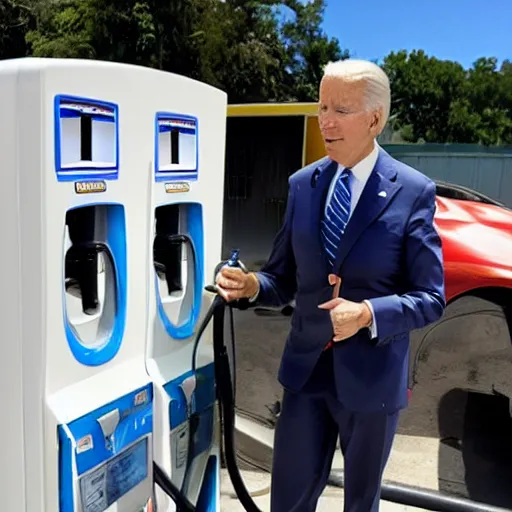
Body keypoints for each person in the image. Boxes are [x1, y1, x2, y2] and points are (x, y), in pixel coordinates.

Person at [215, 59, 446, 512]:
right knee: (288, 500)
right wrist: (252, 285)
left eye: (340, 109)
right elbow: (282, 278)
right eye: (322, 106)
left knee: (360, 505)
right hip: (306, 375)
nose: (326, 120)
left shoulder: (412, 191)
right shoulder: (304, 185)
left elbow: (431, 298)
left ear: (375, 119)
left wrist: (368, 314)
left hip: (372, 381)